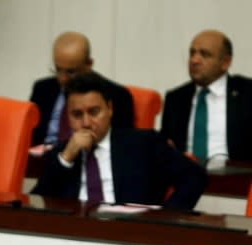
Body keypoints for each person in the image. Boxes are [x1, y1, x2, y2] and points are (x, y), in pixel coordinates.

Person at [31, 72, 207, 210]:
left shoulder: (143, 144)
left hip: (130, 236)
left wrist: (166, 218)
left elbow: (194, 177)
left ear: (109, 109)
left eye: (94, 112)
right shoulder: (62, 154)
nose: (86, 123)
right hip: (76, 238)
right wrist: (66, 157)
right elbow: (37, 204)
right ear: (67, 117)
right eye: (77, 115)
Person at [160, 30, 252, 164]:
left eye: (205, 54)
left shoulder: (247, 93)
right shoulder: (176, 98)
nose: (194, 60)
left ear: (225, 62)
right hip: (187, 178)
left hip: (237, 177)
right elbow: (166, 144)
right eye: (192, 53)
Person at [29, 31, 134, 146]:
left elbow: (121, 147)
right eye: (58, 70)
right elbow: (30, 136)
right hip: (43, 159)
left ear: (89, 64)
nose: (62, 79)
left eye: (71, 72)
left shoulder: (117, 96)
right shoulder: (42, 89)